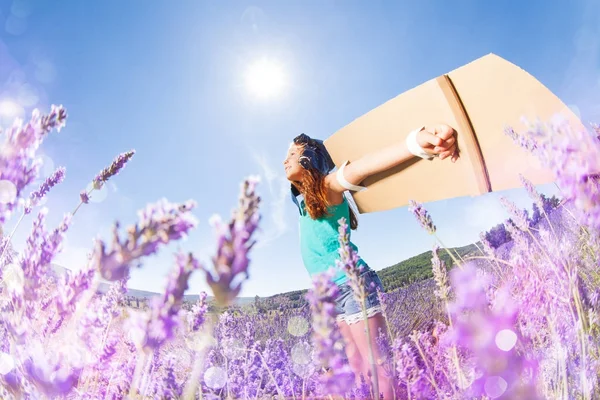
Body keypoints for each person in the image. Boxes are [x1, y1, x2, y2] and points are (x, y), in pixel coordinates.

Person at [283, 124, 459, 399]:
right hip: (329, 294)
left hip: (353, 286)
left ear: (310, 160)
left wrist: (414, 143)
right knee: (354, 365)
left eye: (293, 153)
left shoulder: (328, 187)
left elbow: (362, 168)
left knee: (375, 363)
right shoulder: (305, 205)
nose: (286, 159)